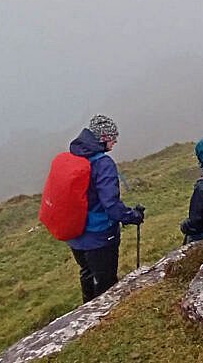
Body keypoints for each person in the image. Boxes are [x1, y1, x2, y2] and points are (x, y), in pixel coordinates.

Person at [66, 114, 144, 303]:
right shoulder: (103, 164)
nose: (115, 141)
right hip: (99, 236)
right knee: (106, 282)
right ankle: (104, 319)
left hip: (76, 233)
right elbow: (111, 205)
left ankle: (85, 314)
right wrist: (133, 216)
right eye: (112, 137)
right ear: (102, 138)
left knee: (87, 273)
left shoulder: (76, 157)